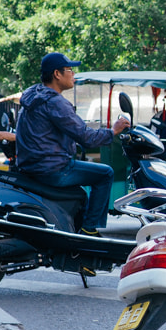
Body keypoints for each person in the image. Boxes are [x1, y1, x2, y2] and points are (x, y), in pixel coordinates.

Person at [16, 53, 130, 237]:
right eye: (70, 70)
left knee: (83, 192)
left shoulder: (33, 96)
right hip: (52, 169)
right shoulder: (55, 102)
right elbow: (86, 137)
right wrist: (113, 131)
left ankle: (76, 228)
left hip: (31, 166)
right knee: (105, 173)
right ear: (57, 74)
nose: (73, 75)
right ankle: (89, 229)